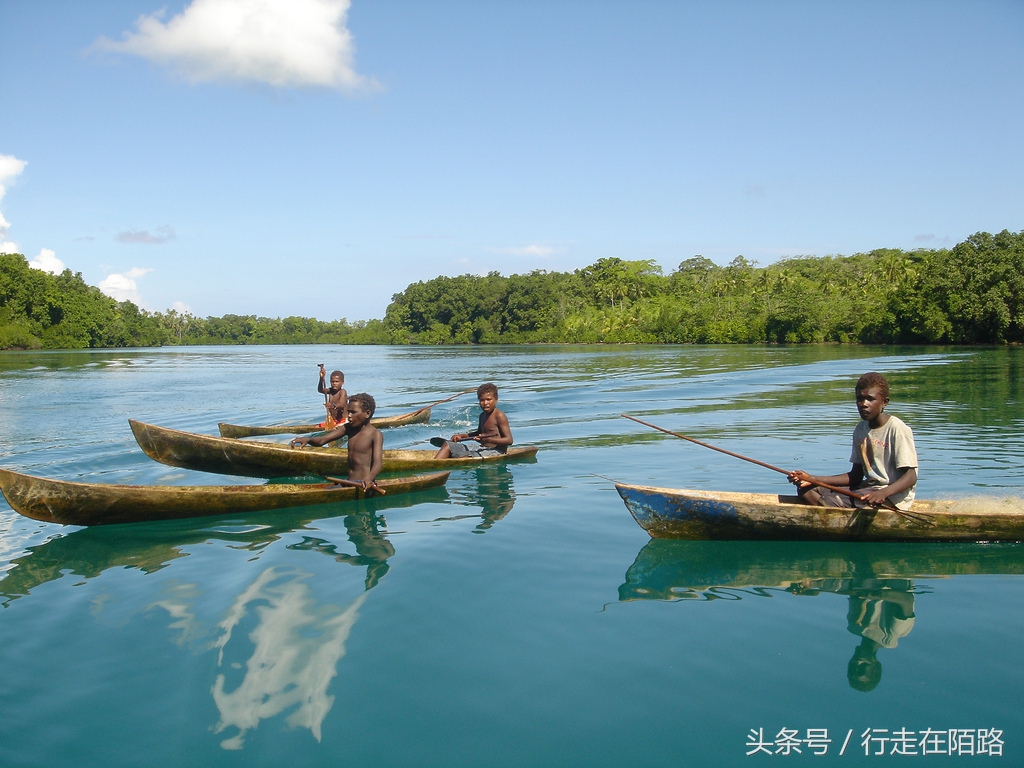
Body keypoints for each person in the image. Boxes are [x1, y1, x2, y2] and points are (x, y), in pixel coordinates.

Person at [788, 372, 918, 509]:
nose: (863, 404)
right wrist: (812, 479)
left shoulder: (897, 429)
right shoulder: (860, 429)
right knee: (807, 489)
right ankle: (830, 511)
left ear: (884, 402)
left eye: (870, 399)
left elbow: (910, 477)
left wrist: (883, 493)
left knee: (831, 500)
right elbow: (856, 476)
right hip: (869, 488)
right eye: (860, 399)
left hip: (892, 496)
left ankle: (832, 515)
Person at [291, 393, 382, 490]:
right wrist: (308, 440)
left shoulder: (375, 434)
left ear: (367, 413)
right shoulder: (348, 428)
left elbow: (377, 463)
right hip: (348, 481)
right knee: (326, 489)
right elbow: (322, 440)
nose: (349, 416)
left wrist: (368, 479)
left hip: (362, 484)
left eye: (353, 412)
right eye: (348, 412)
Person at [432, 383, 513, 459]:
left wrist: (489, 440)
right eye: (482, 400)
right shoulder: (482, 415)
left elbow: (509, 440)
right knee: (448, 445)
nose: (485, 403)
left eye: (488, 399)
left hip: (495, 451)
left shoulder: (499, 415)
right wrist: (461, 436)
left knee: (466, 456)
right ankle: (434, 466)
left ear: (496, 400)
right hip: (482, 448)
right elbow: (478, 433)